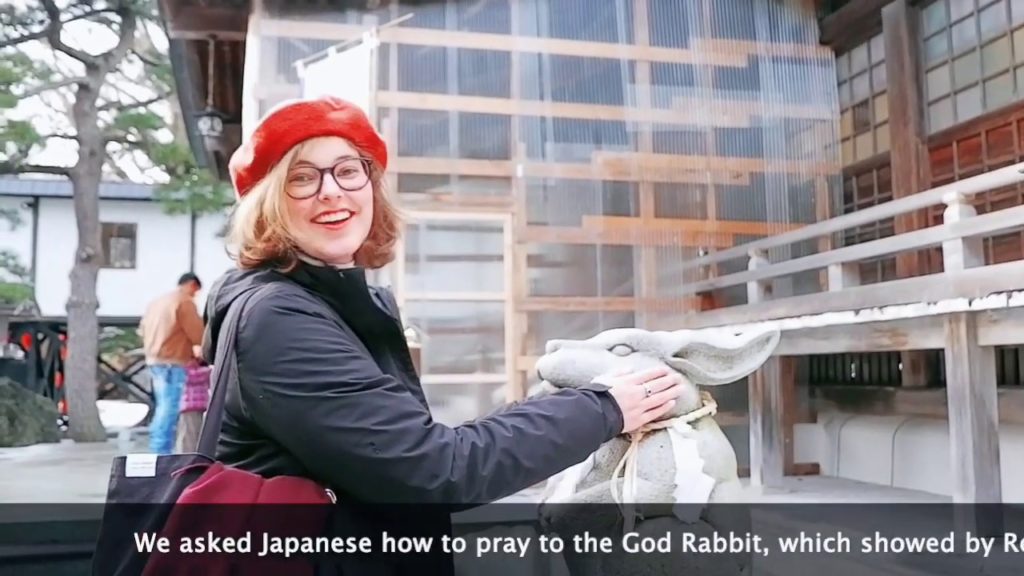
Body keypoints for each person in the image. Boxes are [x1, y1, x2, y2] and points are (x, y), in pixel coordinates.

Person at [202, 96, 683, 574]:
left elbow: (402, 451)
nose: (331, 191)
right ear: (268, 206)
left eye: (348, 171)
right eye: (302, 178)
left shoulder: (337, 302)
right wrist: (602, 408)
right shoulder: (279, 320)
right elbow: (432, 472)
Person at [138, 272, 204, 454]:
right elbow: (197, 333)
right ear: (191, 284)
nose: (195, 295)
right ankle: (161, 452)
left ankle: (158, 448)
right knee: (169, 407)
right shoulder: (184, 302)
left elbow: (141, 329)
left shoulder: (157, 302)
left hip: (154, 359)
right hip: (173, 360)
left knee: (162, 406)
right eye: (195, 291)